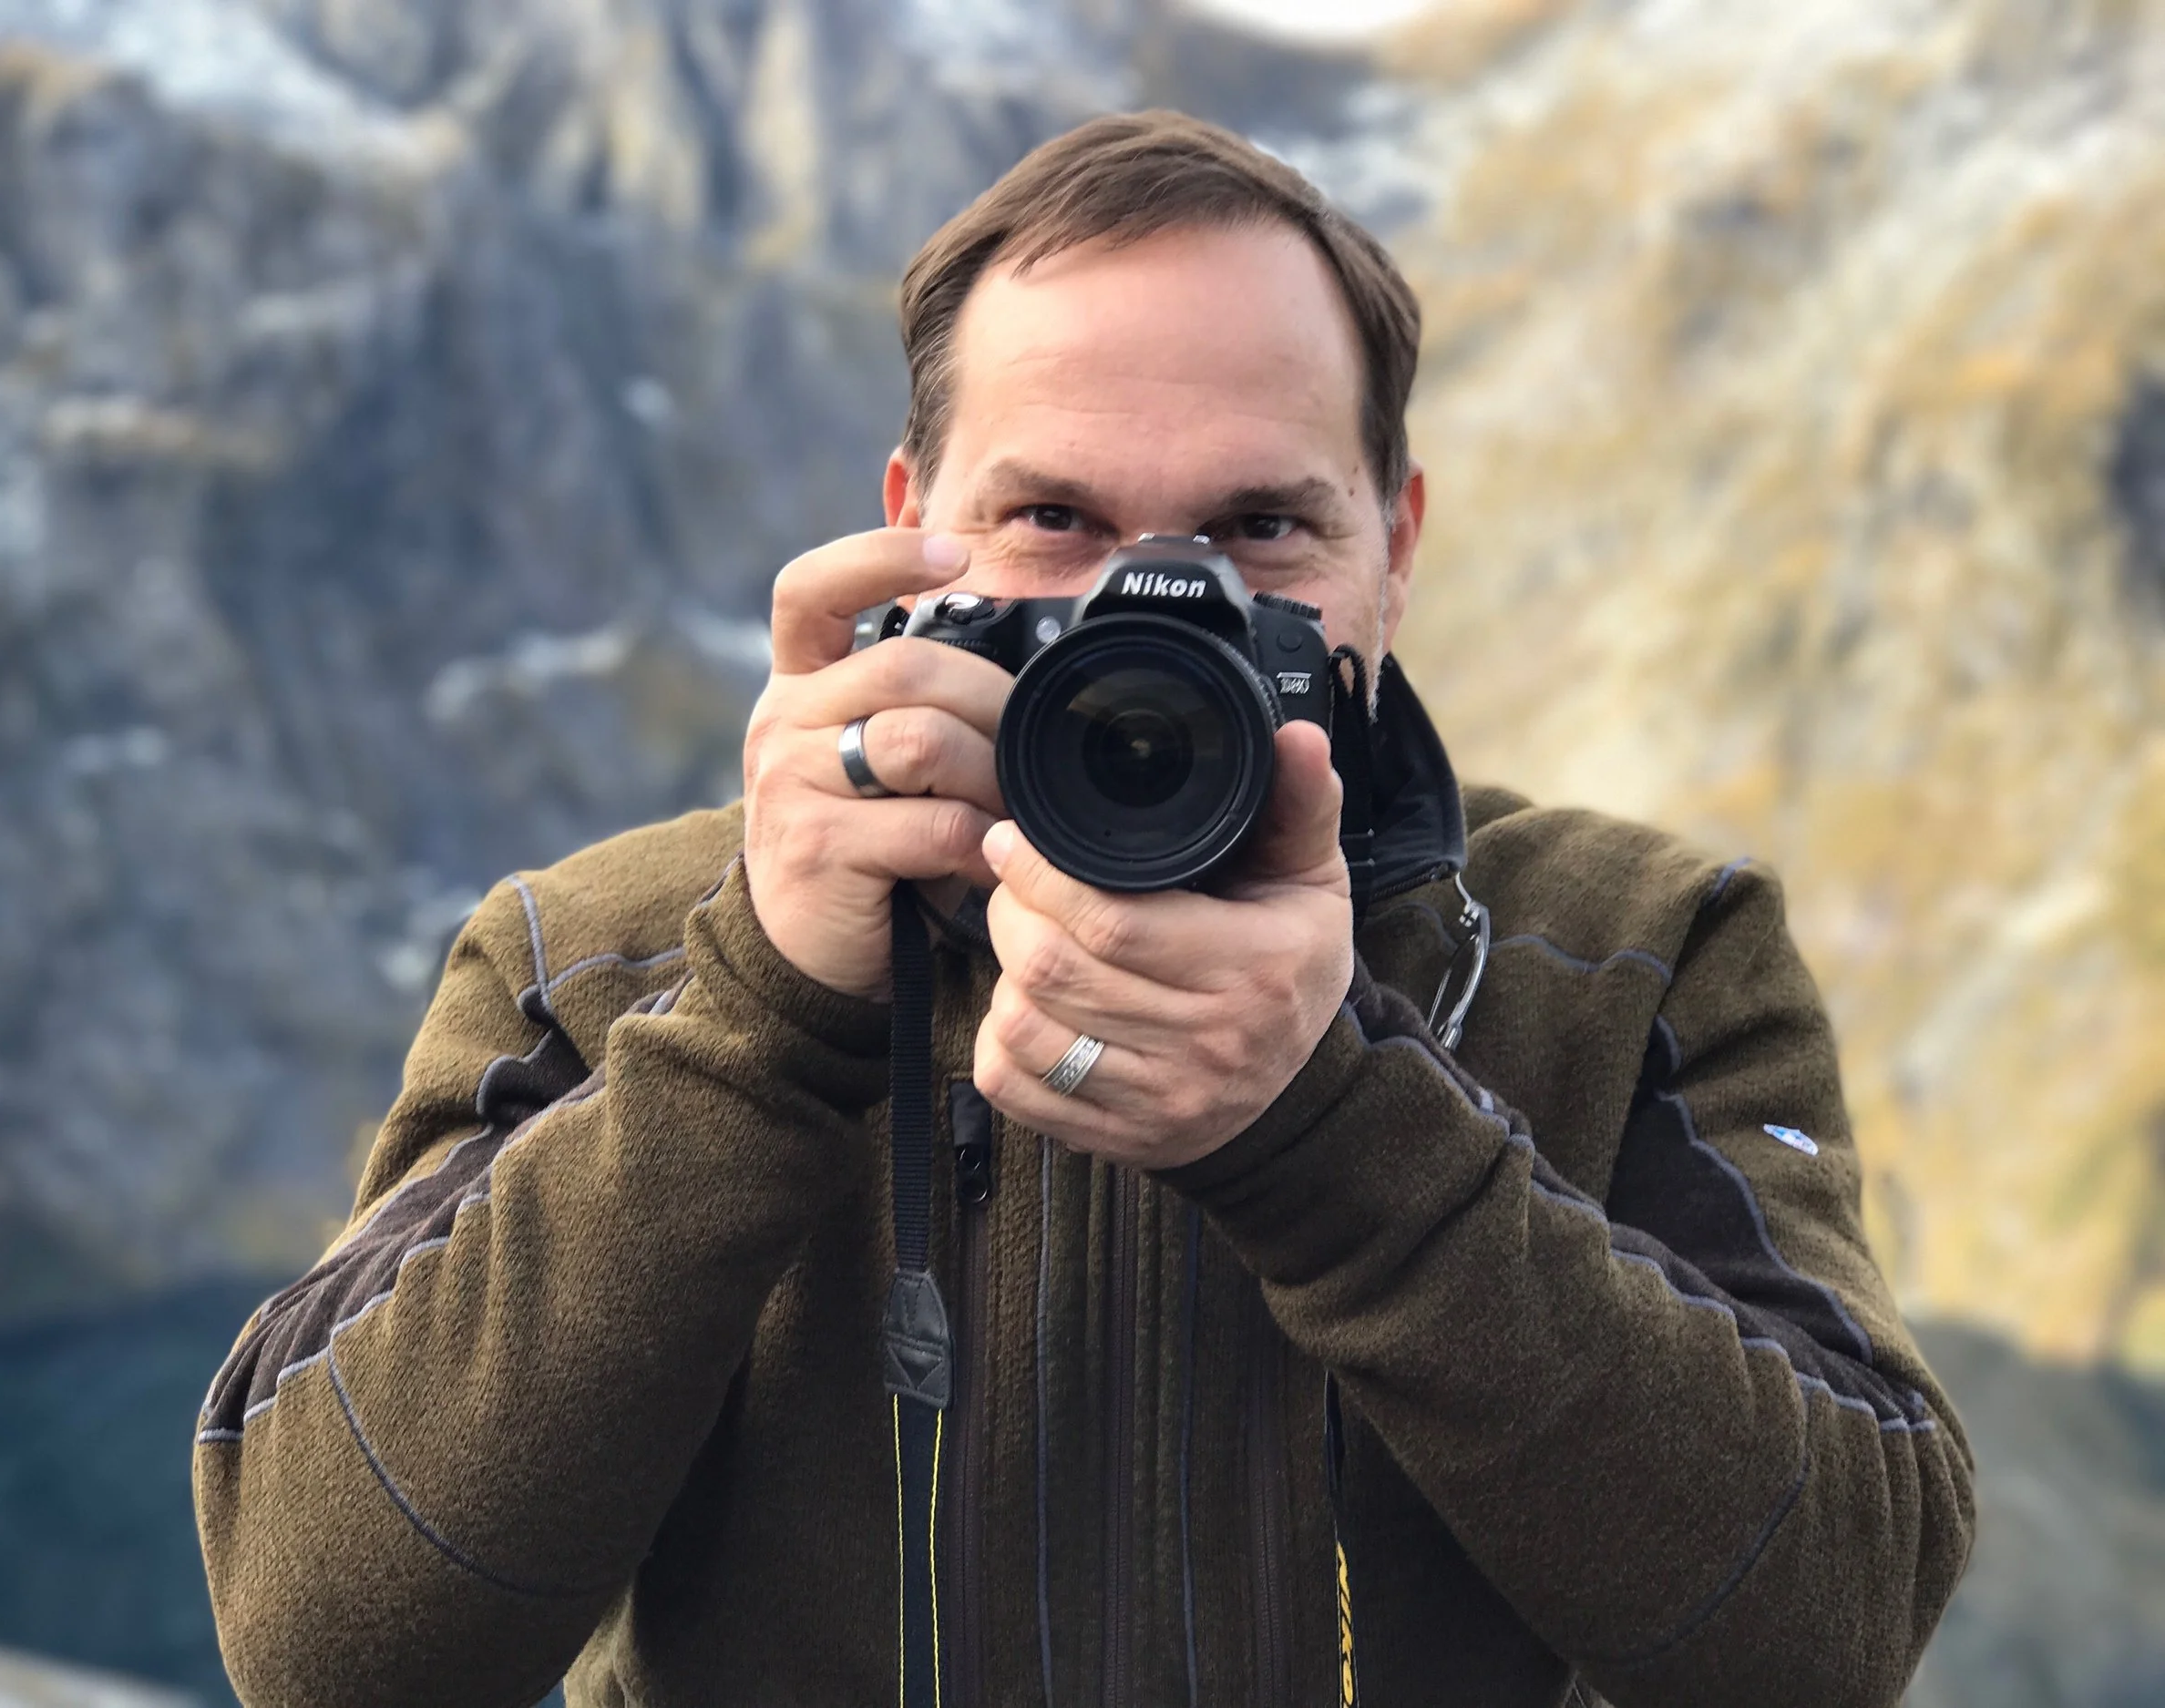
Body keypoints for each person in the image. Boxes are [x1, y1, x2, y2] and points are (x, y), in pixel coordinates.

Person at [193, 110, 1975, 1708]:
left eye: (1259, 531)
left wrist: (1334, 1132)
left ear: (1394, 545)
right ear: (909, 527)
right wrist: (756, 1019)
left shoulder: (1633, 953)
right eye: (1050, 518)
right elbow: (326, 1644)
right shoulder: (598, 959)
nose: (1155, 612)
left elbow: (1830, 1630)